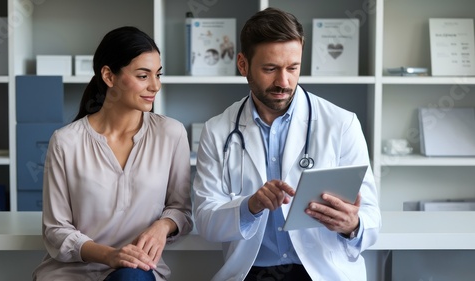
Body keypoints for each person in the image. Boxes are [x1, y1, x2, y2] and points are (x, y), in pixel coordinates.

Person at [192, 7, 381, 281]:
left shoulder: (341, 124)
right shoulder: (217, 130)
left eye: (293, 68)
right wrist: (250, 206)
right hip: (253, 273)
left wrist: (352, 225)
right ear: (243, 65)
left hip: (322, 272)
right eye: (270, 69)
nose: (284, 81)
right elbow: (206, 221)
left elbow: (372, 218)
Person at [32, 26, 193, 281]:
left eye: (158, 75)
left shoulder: (171, 134)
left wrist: (164, 225)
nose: (155, 85)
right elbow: (55, 230)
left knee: (131, 277)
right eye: (143, 76)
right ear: (109, 76)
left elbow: (181, 209)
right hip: (72, 273)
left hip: (136, 272)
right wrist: (109, 255)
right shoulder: (66, 142)